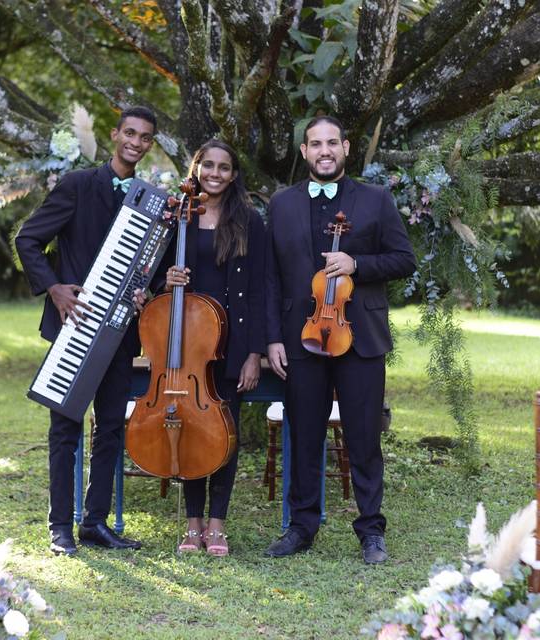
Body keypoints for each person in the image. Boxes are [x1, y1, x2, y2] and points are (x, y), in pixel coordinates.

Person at [263, 115, 416, 564]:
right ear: (305, 151)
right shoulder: (282, 204)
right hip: (301, 338)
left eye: (332, 143)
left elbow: (403, 259)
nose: (324, 151)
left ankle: (371, 530)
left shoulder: (375, 200)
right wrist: (273, 337)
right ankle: (301, 526)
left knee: (363, 437)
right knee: (304, 434)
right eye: (315, 144)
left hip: (360, 338)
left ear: (346, 148)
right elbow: (270, 278)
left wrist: (357, 264)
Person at [15, 106, 158, 556]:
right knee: (65, 427)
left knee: (112, 426)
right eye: (129, 133)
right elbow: (28, 239)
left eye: (145, 137)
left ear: (150, 145)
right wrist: (54, 287)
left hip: (119, 332)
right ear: (115, 135)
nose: (135, 142)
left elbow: (152, 262)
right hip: (73, 323)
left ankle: (95, 523)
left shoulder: (148, 197)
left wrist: (145, 293)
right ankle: (60, 526)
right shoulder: (78, 185)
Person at [160, 140, 266, 556]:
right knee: (187, 431)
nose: (215, 173)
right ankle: (192, 524)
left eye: (224, 167)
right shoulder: (177, 218)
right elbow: (152, 276)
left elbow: (259, 289)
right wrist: (167, 279)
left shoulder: (249, 222)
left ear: (234, 174)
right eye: (208, 165)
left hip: (231, 343)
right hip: (185, 345)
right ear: (196, 168)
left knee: (224, 433)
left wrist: (253, 352)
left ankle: (217, 525)